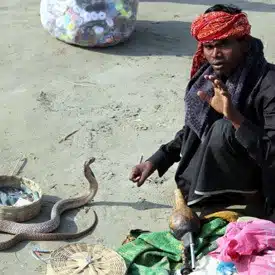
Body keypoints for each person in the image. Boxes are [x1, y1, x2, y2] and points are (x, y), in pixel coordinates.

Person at [129, 4, 275, 214]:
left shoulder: (269, 83)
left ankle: (243, 200)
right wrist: (157, 160)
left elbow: (272, 153)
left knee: (223, 129)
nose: (215, 54)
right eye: (209, 46)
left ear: (244, 44)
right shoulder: (208, 78)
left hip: (260, 178)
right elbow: (193, 128)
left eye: (224, 44)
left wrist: (234, 117)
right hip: (221, 168)